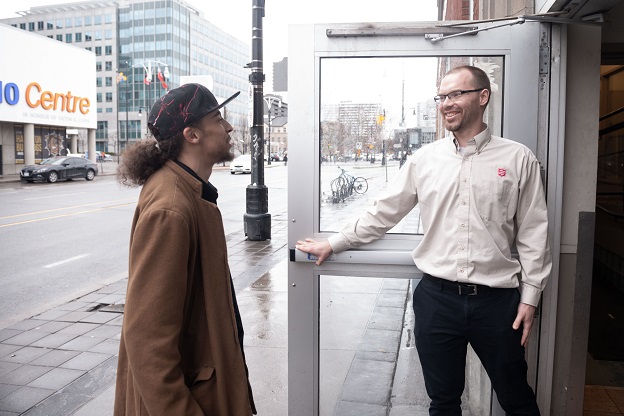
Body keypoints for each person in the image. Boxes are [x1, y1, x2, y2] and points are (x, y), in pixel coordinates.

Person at [296, 65, 551, 415]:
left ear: (483, 96)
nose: (446, 103)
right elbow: (384, 213)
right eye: (442, 96)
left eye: (456, 94)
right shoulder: (424, 159)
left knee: (517, 398)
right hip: (437, 301)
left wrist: (531, 297)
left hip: (498, 303)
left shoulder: (518, 158)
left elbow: (534, 233)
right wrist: (334, 242)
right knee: (443, 403)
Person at [114, 83, 256, 416]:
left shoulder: (186, 190)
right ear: (192, 134)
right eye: (218, 118)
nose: (229, 126)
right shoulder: (171, 208)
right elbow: (147, 339)